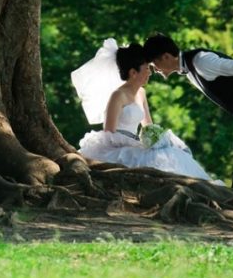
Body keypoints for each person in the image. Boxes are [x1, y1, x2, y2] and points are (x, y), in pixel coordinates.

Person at [144, 33, 233, 190]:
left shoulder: (200, 61)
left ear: (166, 57)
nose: (154, 69)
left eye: (154, 63)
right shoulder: (190, 69)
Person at [73, 40, 220, 181]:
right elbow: (109, 133)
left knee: (171, 153)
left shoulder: (141, 93)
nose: (150, 73)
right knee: (155, 158)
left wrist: (156, 139)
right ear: (133, 72)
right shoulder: (117, 96)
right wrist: (135, 143)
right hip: (118, 147)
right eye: (146, 68)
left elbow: (148, 125)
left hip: (136, 143)